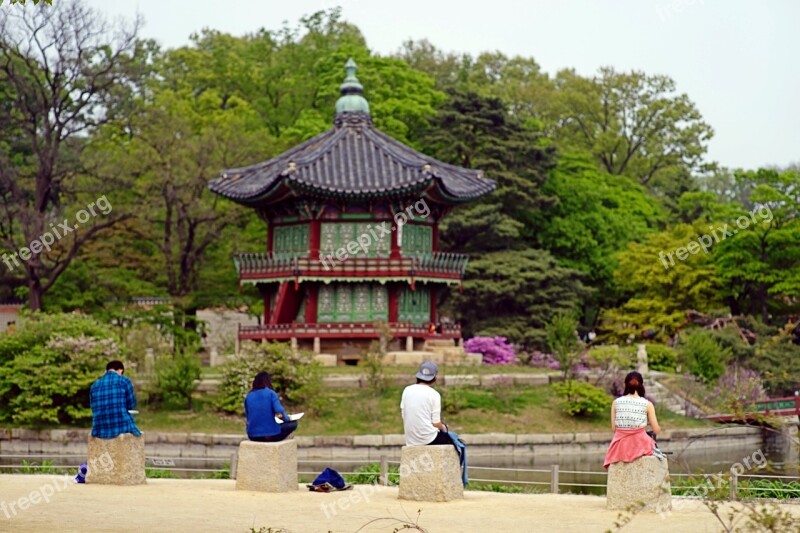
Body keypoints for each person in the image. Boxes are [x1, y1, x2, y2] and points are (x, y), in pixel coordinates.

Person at [603, 371, 661, 468]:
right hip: (640, 445)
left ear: (626, 385)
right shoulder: (647, 404)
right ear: (641, 385)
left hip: (619, 446)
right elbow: (656, 430)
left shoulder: (616, 402)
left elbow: (614, 429)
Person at [400, 362, 452, 446]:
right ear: (434, 378)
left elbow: (404, 415)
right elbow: (436, 423)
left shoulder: (407, 390)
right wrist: (444, 427)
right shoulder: (434, 394)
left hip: (411, 440)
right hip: (429, 439)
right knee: (454, 441)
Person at [90, 360, 141, 439]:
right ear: (121, 370)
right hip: (120, 425)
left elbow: (93, 407)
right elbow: (131, 404)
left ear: (106, 371)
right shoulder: (124, 381)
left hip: (99, 427)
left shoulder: (94, 385)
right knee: (134, 428)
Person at [244, 372, 297, 442]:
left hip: (253, 436)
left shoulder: (249, 396)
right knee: (293, 424)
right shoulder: (271, 393)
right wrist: (287, 418)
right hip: (271, 435)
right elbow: (279, 411)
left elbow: (248, 417)